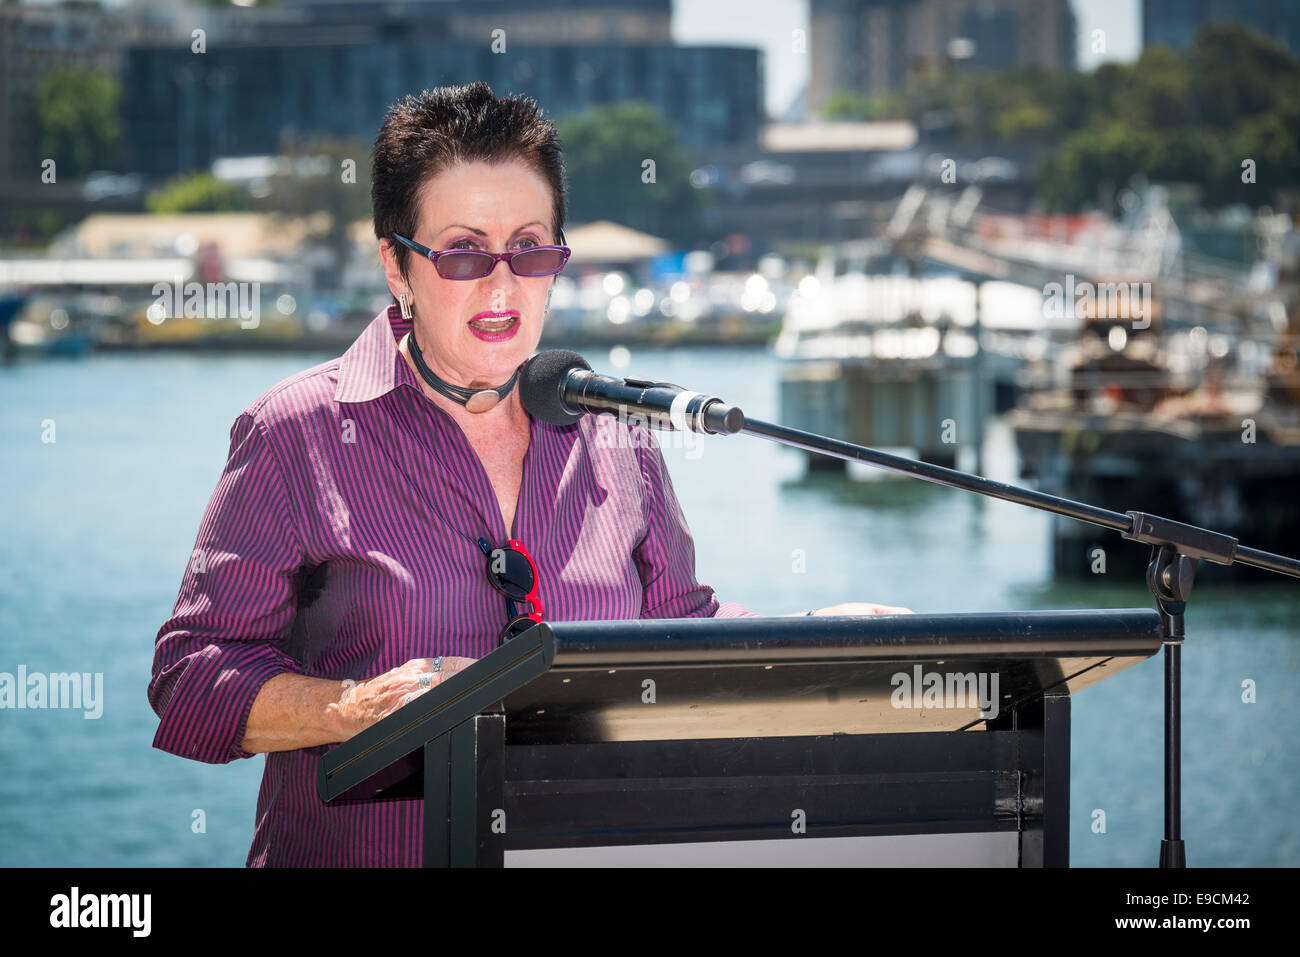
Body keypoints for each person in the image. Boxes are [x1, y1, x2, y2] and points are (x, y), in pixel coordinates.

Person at [146, 82, 912, 867]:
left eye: (531, 248)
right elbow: (190, 680)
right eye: (465, 251)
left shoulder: (618, 431)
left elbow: (680, 629)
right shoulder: (295, 433)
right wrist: (350, 707)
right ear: (396, 266)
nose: (503, 284)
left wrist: (822, 643)